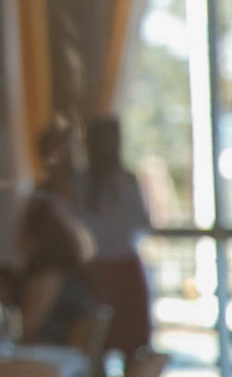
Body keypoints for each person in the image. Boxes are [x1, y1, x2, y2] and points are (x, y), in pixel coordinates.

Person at [79, 117, 152, 362]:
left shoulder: (127, 181)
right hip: (96, 271)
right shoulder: (83, 183)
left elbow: (141, 221)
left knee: (133, 343)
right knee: (97, 343)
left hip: (126, 267)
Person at [17, 193, 95, 345]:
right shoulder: (68, 270)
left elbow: (26, 328)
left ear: (36, 238)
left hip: (50, 357)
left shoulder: (48, 277)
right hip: (68, 357)